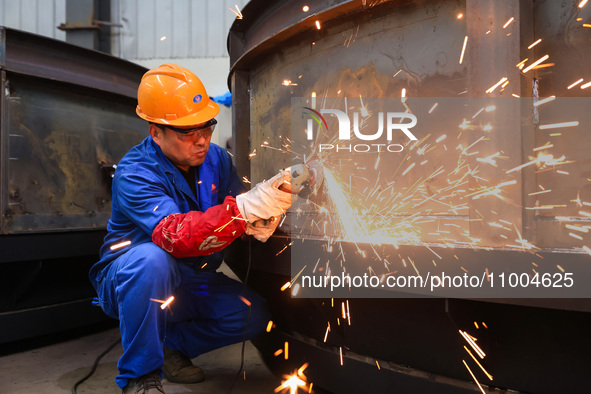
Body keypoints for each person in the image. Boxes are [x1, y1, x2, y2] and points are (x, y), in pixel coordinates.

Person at [89, 64, 294, 394]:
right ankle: (140, 378)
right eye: (188, 133)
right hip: (132, 278)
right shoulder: (135, 172)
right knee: (151, 261)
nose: (202, 140)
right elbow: (174, 236)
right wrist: (244, 210)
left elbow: (236, 210)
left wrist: (265, 214)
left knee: (252, 315)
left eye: (207, 127)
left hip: (190, 277)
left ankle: (171, 345)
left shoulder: (218, 160)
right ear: (156, 132)